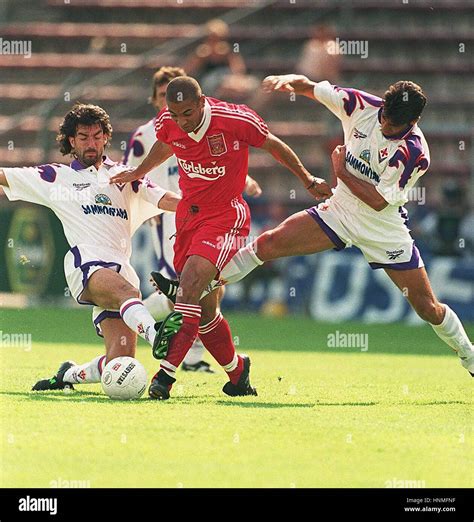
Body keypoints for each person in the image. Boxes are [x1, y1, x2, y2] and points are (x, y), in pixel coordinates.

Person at [153, 74, 474, 378]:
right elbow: (314, 88)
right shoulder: (361, 106)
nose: (386, 125)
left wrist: (341, 171)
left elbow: (378, 201)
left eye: (394, 125)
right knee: (268, 244)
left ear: (413, 123)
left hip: (382, 227)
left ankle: (468, 354)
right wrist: (289, 82)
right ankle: (195, 288)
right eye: (385, 117)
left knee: (427, 308)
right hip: (340, 212)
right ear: (383, 105)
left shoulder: (414, 152)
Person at [110, 76, 331, 400]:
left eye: (188, 113)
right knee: (205, 310)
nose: (181, 121)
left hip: (226, 216)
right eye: (175, 113)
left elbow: (274, 145)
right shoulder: (168, 121)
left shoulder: (234, 118)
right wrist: (136, 172)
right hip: (188, 217)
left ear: (202, 102)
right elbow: (166, 142)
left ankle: (164, 378)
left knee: (187, 292)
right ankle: (238, 373)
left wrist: (308, 180)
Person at [0, 103, 181, 391]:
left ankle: (66, 375)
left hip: (121, 268)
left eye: (97, 136)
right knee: (129, 293)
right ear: (71, 141)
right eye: (83, 137)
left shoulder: (126, 177)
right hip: (87, 264)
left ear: (106, 138)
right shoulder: (56, 177)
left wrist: (198, 209)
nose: (91, 143)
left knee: (120, 362)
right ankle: (157, 332)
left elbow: (164, 199)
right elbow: (5, 177)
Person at [123, 65, 262, 373]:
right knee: (189, 290)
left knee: (204, 291)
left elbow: (220, 160)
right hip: (170, 215)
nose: (167, 102)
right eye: (162, 96)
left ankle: (191, 357)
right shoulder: (146, 135)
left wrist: (245, 180)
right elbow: (131, 178)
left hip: (206, 211)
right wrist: (151, 206)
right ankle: (133, 318)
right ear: (154, 99)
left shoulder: (202, 124)